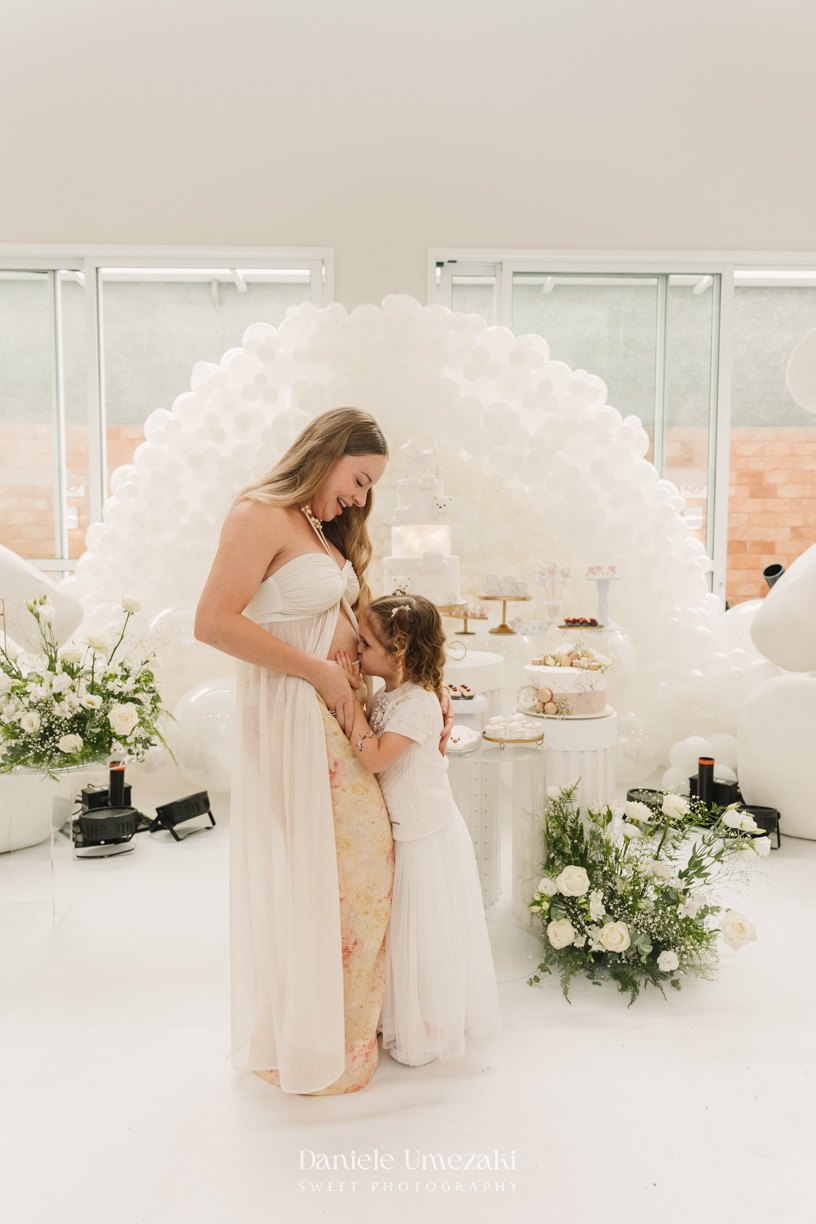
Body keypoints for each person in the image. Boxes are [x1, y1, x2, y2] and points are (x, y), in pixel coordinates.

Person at [195, 407, 453, 1096]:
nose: (362, 498)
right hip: (292, 716)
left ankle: (334, 1030)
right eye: (360, 478)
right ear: (328, 451)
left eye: (370, 488)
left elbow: (359, 625)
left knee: (348, 877)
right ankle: (322, 1040)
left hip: (336, 714)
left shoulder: (318, 527)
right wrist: (314, 671)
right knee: (351, 872)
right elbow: (213, 622)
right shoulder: (257, 514)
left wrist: (424, 685)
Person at [335, 593, 501, 1067]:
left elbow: (371, 757)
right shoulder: (393, 694)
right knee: (401, 934)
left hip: (424, 837)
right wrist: (365, 696)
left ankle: (430, 1022)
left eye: (365, 644)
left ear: (400, 652)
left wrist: (349, 701)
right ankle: (401, 1011)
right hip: (405, 831)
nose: (357, 650)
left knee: (423, 936)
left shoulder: (419, 705)